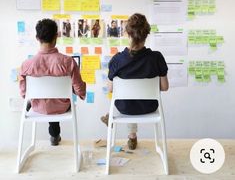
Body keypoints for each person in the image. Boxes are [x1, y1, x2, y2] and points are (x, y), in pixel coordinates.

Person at [101, 13, 169, 150]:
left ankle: (120, 125)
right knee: (131, 98)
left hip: (124, 108)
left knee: (124, 98)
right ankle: (130, 134)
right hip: (149, 107)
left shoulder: (117, 60)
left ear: (127, 33)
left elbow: (110, 89)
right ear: (146, 34)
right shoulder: (156, 58)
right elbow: (165, 87)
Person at [19, 19, 86, 146]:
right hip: (62, 107)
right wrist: (80, 92)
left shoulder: (26, 65)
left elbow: (23, 93)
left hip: (38, 107)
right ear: (56, 36)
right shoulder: (68, 62)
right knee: (62, 96)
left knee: (41, 99)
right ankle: (55, 135)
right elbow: (79, 90)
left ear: (37, 38)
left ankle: (54, 134)